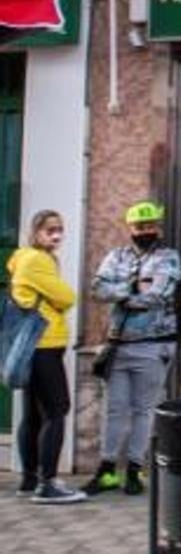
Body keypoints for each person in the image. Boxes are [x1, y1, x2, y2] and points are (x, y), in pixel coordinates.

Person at [82, 201, 181, 496]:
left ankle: (136, 470)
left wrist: (123, 293)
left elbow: (159, 295)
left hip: (154, 346)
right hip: (118, 346)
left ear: (159, 226)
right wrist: (132, 289)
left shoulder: (169, 258)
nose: (146, 230)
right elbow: (97, 290)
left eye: (151, 225)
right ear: (130, 228)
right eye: (140, 226)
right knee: (114, 410)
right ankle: (107, 470)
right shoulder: (117, 256)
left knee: (143, 410)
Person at [7, 210, 87, 504]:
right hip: (44, 343)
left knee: (33, 414)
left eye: (60, 229)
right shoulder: (37, 260)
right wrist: (60, 299)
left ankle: (30, 479)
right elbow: (67, 297)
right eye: (50, 229)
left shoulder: (25, 258)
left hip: (33, 344)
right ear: (36, 231)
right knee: (57, 410)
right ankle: (48, 483)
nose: (56, 235)